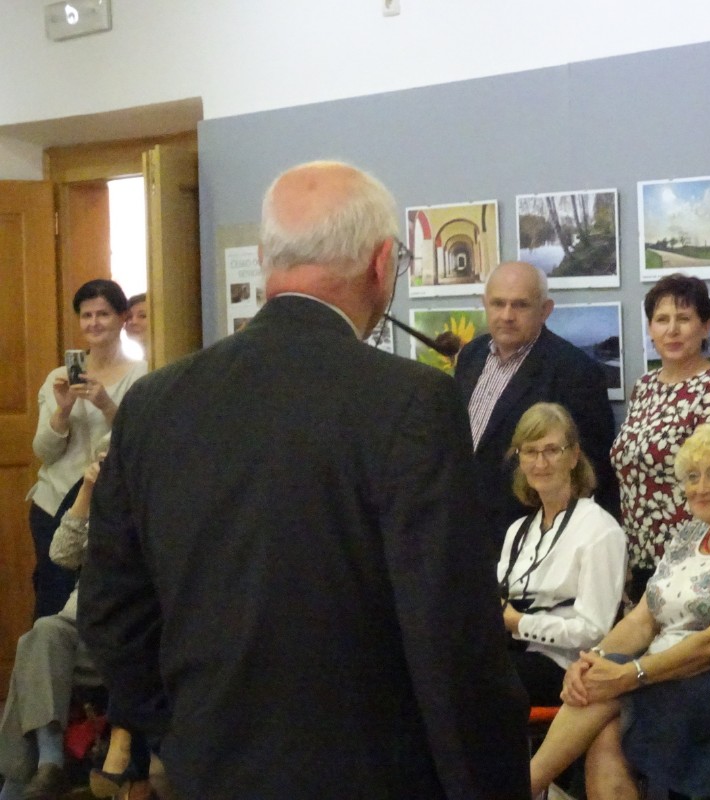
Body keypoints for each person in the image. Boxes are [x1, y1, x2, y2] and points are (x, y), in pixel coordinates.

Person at [76, 161, 529, 799]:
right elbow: (451, 635)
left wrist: (181, 730)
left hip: (210, 766)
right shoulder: (411, 401)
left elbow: (110, 609)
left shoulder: (156, 402)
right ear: (381, 265)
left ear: (266, 260)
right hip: (372, 772)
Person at [531, 423, 710, 800]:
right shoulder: (688, 535)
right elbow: (642, 620)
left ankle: (523, 786)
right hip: (681, 674)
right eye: (692, 476)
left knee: (609, 697)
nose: (700, 487)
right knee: (604, 724)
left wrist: (631, 674)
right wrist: (592, 662)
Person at [455, 261, 619, 545]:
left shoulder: (575, 371)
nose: (507, 315)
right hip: (467, 532)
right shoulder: (471, 356)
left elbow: (591, 470)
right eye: (498, 304)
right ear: (485, 304)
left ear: (545, 310)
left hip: (535, 537)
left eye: (520, 305)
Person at [611, 274, 710, 601]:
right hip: (639, 558)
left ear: (706, 326)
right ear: (650, 328)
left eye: (684, 319)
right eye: (662, 320)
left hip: (692, 560)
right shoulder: (644, 387)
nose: (672, 330)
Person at [0, 444, 115, 800]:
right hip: (75, 624)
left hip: (118, 631)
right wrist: (87, 490)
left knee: (28, 652)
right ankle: (49, 764)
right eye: (102, 461)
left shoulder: (150, 511)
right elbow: (61, 553)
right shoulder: (97, 503)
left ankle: (24, 781)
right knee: (43, 633)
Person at [28, 279, 147, 619]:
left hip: (113, 510)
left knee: (104, 605)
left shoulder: (144, 376)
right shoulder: (58, 377)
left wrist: (107, 404)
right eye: (86, 315)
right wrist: (63, 409)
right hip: (54, 504)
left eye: (103, 314)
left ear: (122, 318)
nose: (94, 323)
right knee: (52, 602)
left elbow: (142, 442)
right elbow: (44, 452)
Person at [498, 402, 626, 706]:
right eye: (530, 452)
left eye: (552, 450)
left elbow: (594, 631)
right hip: (512, 655)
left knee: (469, 679)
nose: (540, 462)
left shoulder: (600, 529)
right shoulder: (518, 531)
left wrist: (518, 623)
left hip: (565, 667)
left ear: (574, 456)